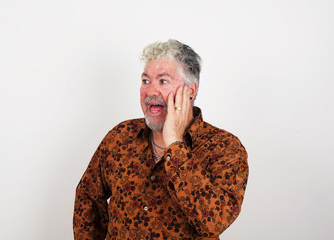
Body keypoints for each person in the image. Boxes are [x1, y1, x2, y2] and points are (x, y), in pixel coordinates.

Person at [73, 39, 249, 240]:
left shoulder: (225, 148)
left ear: (190, 91)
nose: (150, 91)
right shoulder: (120, 136)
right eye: (146, 81)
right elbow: (88, 196)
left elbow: (214, 222)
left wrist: (174, 142)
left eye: (163, 81)